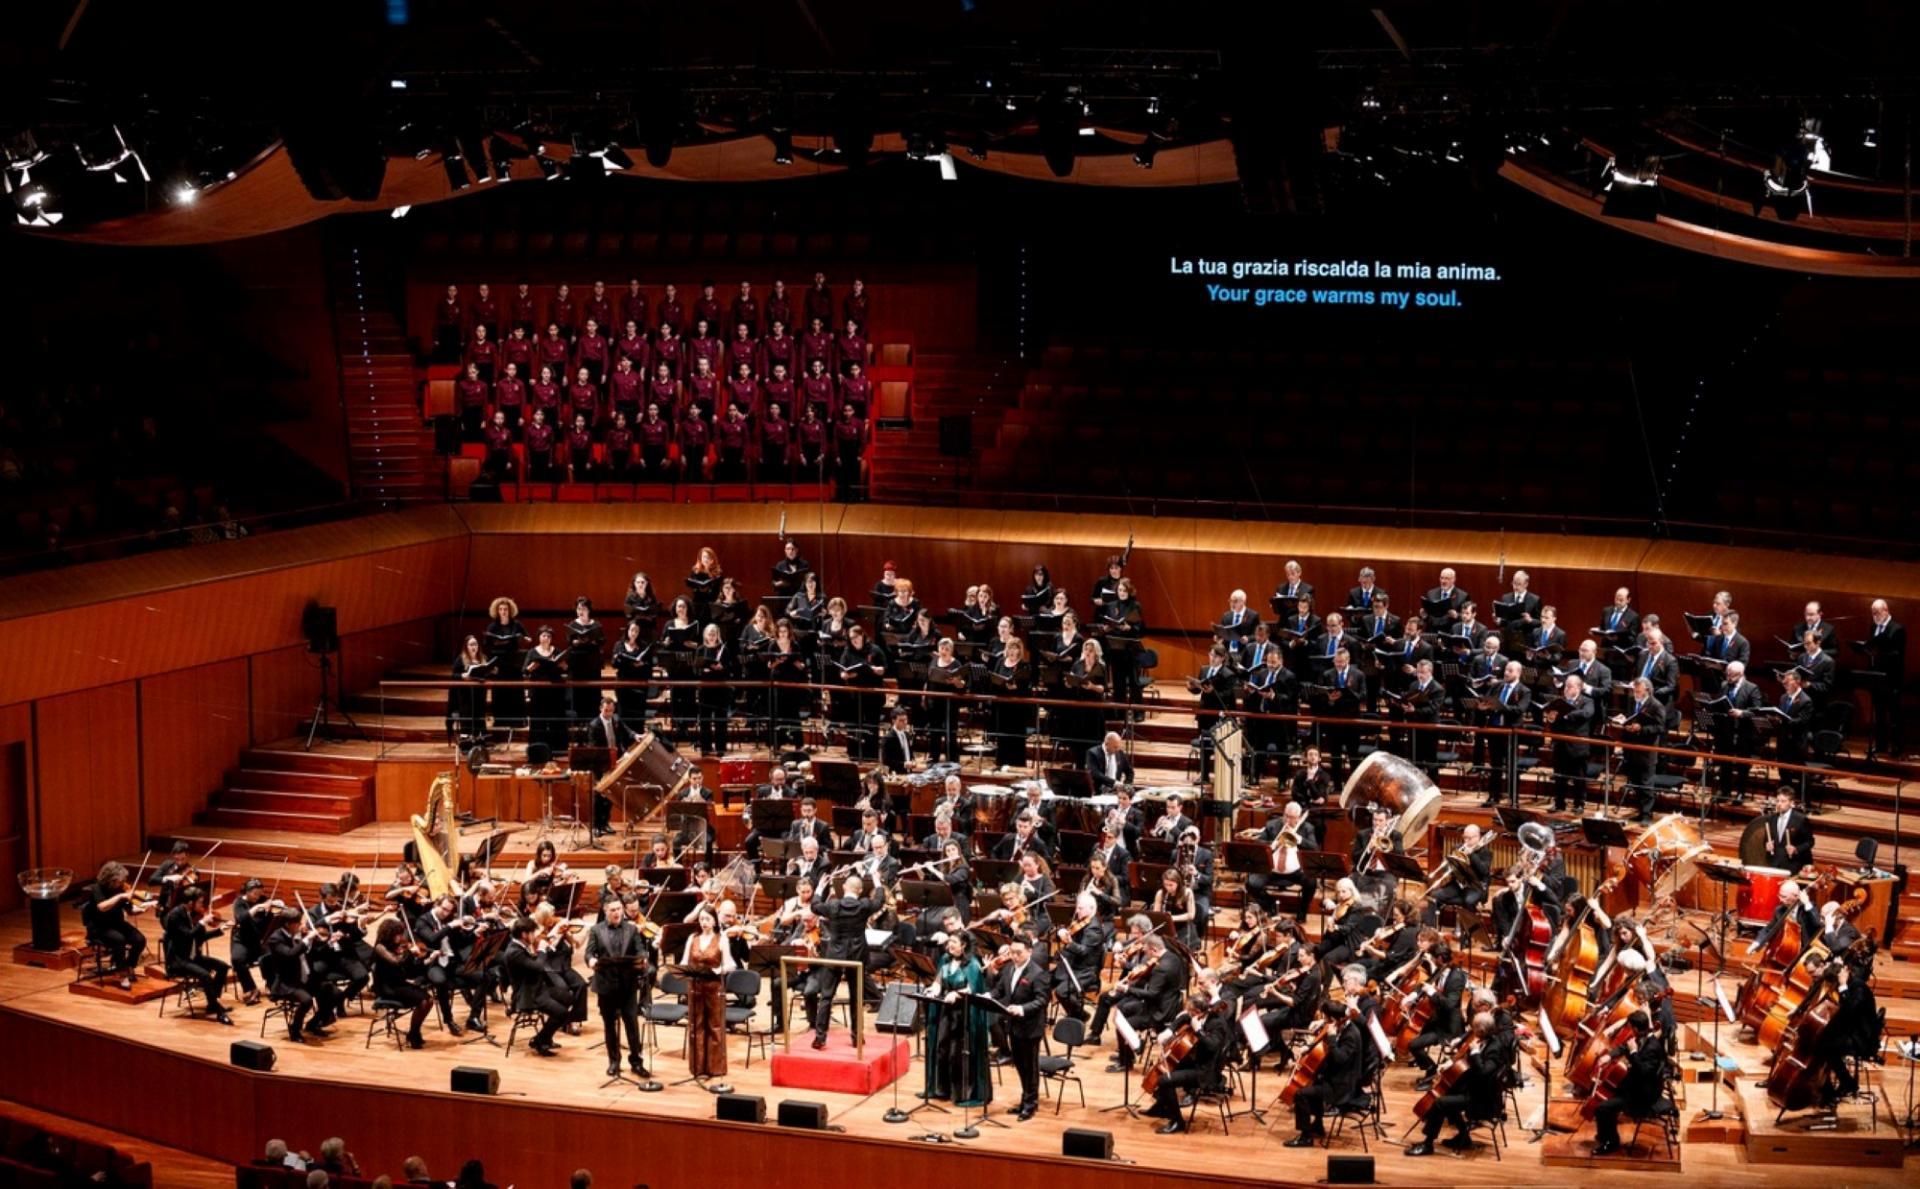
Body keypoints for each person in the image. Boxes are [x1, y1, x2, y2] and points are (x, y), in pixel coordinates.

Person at [1406, 1010, 1505, 1155]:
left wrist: (1476, 1054)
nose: (1472, 1031)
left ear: (1482, 1030)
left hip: (1482, 1098)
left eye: (1474, 1028)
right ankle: (1464, 1137)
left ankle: (1428, 1144)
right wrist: (1450, 1066)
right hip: (1474, 1088)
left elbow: (1483, 1073)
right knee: (1448, 1093)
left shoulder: (1494, 1049)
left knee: (1440, 1103)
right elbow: (1469, 1065)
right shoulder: (1484, 1040)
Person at [809, 874, 881, 1049]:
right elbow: (880, 900)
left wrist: (819, 887)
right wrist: (877, 879)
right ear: (861, 890)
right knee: (856, 997)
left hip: (835, 955)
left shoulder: (834, 906)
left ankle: (820, 1037)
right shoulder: (864, 905)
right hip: (856, 956)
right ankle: (857, 1037)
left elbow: (815, 906)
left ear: (844, 888)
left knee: (826, 996)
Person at [1285, 995, 1368, 1147]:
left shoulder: (1351, 1035)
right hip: (1336, 1078)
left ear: (1334, 1019)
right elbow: (1323, 1045)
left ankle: (1305, 1137)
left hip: (1342, 1087)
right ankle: (1317, 1125)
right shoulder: (1342, 1027)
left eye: (1326, 1018)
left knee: (1300, 1094)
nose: (1324, 1021)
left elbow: (1339, 1058)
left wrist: (1331, 1039)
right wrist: (1308, 1049)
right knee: (1315, 1081)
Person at [1146, 993, 1232, 1134]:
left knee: (1164, 1081)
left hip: (1206, 1072)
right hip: (1198, 1062)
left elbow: (1212, 1046)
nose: (1187, 1013)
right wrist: (1169, 1031)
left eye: (1189, 1010)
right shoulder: (1199, 1015)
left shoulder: (1217, 1024)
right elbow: (1183, 1017)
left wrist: (1198, 1030)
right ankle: (1162, 1106)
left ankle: (1177, 1121)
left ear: (1197, 1012)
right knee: (1167, 1067)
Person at [923, 930, 992, 1105]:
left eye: (954, 942)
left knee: (958, 1053)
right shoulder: (945, 960)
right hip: (947, 1012)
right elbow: (938, 982)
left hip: (965, 1015)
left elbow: (972, 989)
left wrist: (956, 994)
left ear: (964, 946)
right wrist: (933, 990)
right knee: (942, 1048)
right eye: (950, 941)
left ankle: (961, 1093)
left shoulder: (973, 965)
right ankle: (942, 1089)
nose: (950, 945)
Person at [586, 896, 651, 1078]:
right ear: (605, 911)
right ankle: (614, 1061)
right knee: (609, 1025)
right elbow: (589, 952)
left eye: (619, 909)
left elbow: (639, 950)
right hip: (606, 984)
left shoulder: (631, 929)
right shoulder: (596, 930)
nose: (617, 913)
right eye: (612, 910)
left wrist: (643, 959)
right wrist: (591, 960)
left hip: (627, 985)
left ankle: (636, 1062)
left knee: (632, 1024)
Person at [1590, 1010, 1668, 1155]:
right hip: (1635, 1086)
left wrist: (1633, 1053)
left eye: (1631, 1028)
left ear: (1636, 1029)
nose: (1629, 1031)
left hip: (1643, 1095)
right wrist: (1609, 1056)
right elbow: (1623, 1047)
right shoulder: (1641, 1038)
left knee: (1603, 1108)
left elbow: (1644, 1073)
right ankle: (1605, 1133)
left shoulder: (1653, 1048)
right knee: (1608, 1097)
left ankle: (1610, 1142)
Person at [995, 935, 1051, 1120]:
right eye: (1012, 952)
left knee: (1030, 1068)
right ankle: (1024, 1099)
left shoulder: (1038, 973)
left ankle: (1030, 1104)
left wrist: (1022, 1009)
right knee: (1019, 1065)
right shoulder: (1009, 969)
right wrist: (988, 995)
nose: (1014, 956)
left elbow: (1042, 1000)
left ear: (1029, 951)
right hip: (1014, 1026)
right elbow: (1001, 991)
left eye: (1018, 953)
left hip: (1030, 1027)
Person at [161, 884, 235, 1023]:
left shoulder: (191, 915)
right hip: (178, 960)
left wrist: (221, 930)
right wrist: (201, 923)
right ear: (190, 902)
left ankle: (212, 1003)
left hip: (192, 957)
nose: (202, 905)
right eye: (200, 902)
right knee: (205, 975)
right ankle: (217, 1010)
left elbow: (199, 938)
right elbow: (188, 936)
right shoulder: (175, 915)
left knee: (223, 967)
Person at [681, 905, 735, 1080]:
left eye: (707, 919)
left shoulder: (722, 939)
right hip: (695, 988)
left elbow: (730, 964)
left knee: (715, 1027)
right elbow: (684, 961)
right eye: (702, 919)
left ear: (714, 921)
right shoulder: (692, 938)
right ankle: (697, 1068)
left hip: (713, 988)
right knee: (696, 1027)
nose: (704, 923)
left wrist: (719, 970)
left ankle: (715, 1068)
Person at [86, 861, 152, 985]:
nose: (122, 884)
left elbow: (130, 911)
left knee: (140, 939)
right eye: (119, 881)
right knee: (119, 940)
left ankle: (128, 966)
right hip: (99, 927)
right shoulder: (96, 888)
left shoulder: (121, 889)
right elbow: (102, 907)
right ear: (110, 879)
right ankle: (121, 973)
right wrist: (120, 896)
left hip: (117, 923)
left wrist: (142, 909)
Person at [369, 916, 431, 1049]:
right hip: (387, 986)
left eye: (400, 934)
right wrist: (408, 952)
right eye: (397, 934)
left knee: (429, 1000)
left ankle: (414, 1031)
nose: (400, 937)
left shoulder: (398, 947)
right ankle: (413, 1034)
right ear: (388, 934)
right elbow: (395, 961)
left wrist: (419, 958)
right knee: (423, 1001)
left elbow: (408, 968)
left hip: (399, 983)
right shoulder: (380, 947)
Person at [1762, 785, 1816, 872]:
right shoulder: (1772, 818)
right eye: (1778, 801)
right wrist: (1767, 845)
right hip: (1774, 864)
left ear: (1791, 803)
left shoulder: (1801, 820)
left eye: (1783, 801)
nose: (1779, 804)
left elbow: (1810, 842)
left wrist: (1796, 849)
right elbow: (1766, 839)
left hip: (1793, 865)